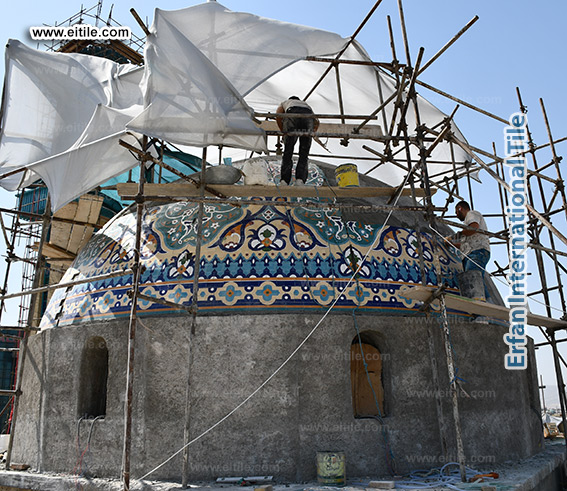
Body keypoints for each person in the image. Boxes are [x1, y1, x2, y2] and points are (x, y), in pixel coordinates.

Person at [276, 96, 319, 186]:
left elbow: (279, 115)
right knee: (304, 151)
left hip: (292, 113)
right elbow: (316, 121)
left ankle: (284, 181)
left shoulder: (285, 102)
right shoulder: (306, 105)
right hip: (308, 116)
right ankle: (300, 180)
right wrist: (312, 132)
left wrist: (283, 131)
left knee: (288, 150)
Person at [452, 200, 491, 271]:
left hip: (477, 251)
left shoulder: (471, 214)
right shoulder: (466, 225)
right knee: (470, 278)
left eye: (456, 212)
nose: (456, 215)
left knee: (473, 275)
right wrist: (450, 242)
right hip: (470, 254)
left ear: (460, 208)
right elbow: (462, 245)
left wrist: (460, 234)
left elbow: (473, 228)